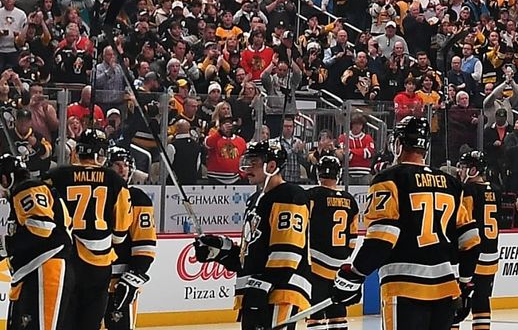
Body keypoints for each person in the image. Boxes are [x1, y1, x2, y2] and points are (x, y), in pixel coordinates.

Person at [329, 116, 480, 330]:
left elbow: (382, 239)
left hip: (405, 288)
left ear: (398, 144)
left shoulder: (389, 178)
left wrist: (354, 274)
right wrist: (465, 285)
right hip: (446, 290)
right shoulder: (452, 183)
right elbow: (471, 241)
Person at [192, 140, 313, 330]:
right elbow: (249, 255)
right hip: (256, 289)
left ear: (272, 166)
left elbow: (288, 252)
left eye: (254, 162)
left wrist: (264, 284)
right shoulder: (255, 199)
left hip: (279, 291)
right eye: (247, 161)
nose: (247, 168)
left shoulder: (290, 195)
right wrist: (220, 250)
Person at [46, 128, 133, 330]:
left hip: (64, 260)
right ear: (100, 154)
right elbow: (120, 232)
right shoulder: (115, 181)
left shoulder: (55, 176)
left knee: (63, 320)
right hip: (98, 264)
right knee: (90, 322)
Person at [0, 154, 75, 330]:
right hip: (35, 272)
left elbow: (42, 227)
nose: (0, 191)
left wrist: (1, 247)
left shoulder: (28, 188)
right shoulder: (30, 190)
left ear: (5, 178)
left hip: (47, 270)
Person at [307, 155, 361, 330]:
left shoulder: (312, 196)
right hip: (340, 266)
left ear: (318, 173)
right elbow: (353, 237)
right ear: (338, 174)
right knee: (338, 314)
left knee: (315, 314)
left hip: (316, 264)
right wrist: (344, 257)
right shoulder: (350, 200)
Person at [106, 146, 158, 330]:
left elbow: (145, 246)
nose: (123, 169)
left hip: (119, 282)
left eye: (126, 165)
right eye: (117, 165)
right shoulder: (94, 197)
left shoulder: (137, 198)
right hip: (90, 281)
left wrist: (133, 278)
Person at [456, 150, 499, 330]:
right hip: (491, 254)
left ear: (474, 170)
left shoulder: (468, 190)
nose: (460, 170)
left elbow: (463, 220)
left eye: (464, 167)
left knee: (456, 301)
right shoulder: (494, 190)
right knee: (481, 300)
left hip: (473, 253)